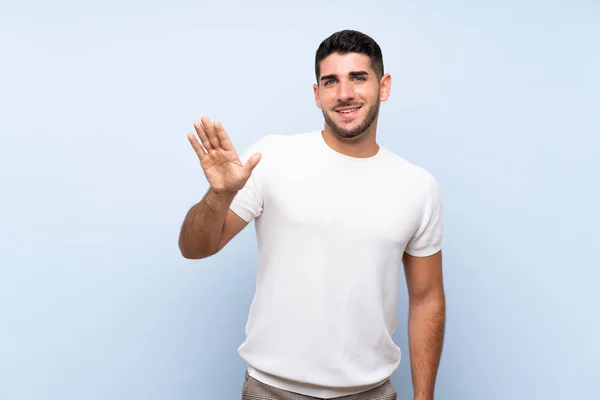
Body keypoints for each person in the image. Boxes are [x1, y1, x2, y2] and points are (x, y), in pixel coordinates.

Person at [178, 29, 446, 400]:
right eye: (331, 81)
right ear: (317, 94)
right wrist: (219, 194)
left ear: (383, 87)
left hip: (370, 392)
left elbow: (427, 297)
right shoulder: (272, 158)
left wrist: (424, 397)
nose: (345, 93)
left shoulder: (418, 186)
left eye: (358, 78)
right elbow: (194, 248)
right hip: (271, 390)